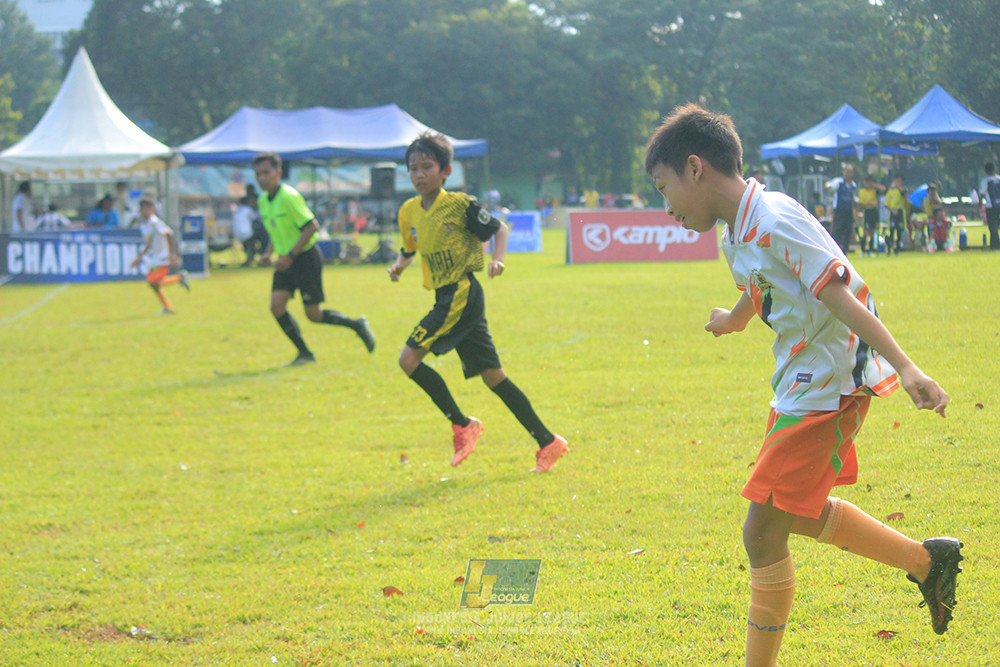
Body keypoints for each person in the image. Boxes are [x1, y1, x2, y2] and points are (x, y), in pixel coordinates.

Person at [644, 103, 962, 666]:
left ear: (694, 168)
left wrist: (907, 367)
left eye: (663, 187)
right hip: (797, 381)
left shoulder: (775, 218)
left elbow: (841, 293)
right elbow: (762, 282)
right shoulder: (737, 230)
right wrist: (736, 317)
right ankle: (924, 562)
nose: (665, 207)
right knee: (795, 510)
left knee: (761, 532)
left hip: (832, 383)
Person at [387, 132, 568, 473]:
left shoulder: (459, 205)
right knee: (493, 377)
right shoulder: (409, 211)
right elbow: (409, 247)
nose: (419, 174)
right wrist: (399, 266)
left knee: (408, 359)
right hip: (448, 296)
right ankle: (548, 442)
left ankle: (462, 425)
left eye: (427, 167)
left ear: (446, 171)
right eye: (413, 168)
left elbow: (499, 229)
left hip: (461, 293)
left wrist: (498, 260)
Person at [251, 152, 375, 365]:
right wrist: (266, 254)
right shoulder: (263, 201)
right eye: (258, 174)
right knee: (276, 306)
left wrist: (291, 255)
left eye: (266, 173)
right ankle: (305, 354)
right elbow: (275, 230)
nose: (262, 178)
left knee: (314, 315)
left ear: (278, 173)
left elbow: (311, 226)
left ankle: (357, 325)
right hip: (285, 260)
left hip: (304, 258)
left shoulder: (289, 196)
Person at [129, 198, 190, 315]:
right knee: (154, 284)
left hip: (163, 257)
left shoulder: (155, 222)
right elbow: (149, 243)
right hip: (155, 258)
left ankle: (179, 278)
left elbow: (169, 234)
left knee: (153, 281)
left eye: (147, 209)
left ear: (153, 209)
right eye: (142, 209)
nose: (144, 211)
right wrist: (139, 258)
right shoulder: (146, 224)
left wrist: (172, 254)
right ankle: (168, 308)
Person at [826, 163, 858, 254]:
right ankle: (833, 252)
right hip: (839, 211)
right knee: (836, 231)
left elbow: (853, 198)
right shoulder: (839, 182)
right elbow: (829, 186)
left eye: (851, 172)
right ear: (844, 172)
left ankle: (844, 252)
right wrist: (828, 186)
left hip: (849, 211)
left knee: (847, 232)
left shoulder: (853, 185)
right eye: (847, 172)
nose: (849, 174)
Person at [232, 193, 269, 266]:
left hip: (238, 235)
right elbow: (257, 219)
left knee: (252, 241)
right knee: (264, 237)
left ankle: (252, 257)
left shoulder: (238, 210)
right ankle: (262, 255)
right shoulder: (248, 210)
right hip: (247, 234)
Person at [858, 174, 885, 255]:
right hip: (867, 212)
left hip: (873, 212)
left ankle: (870, 250)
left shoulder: (874, 191)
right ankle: (863, 251)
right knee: (865, 232)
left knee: (872, 232)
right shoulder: (862, 191)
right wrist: (869, 202)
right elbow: (861, 204)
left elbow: (883, 189)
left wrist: (875, 185)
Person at [884, 175, 909, 254]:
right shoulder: (890, 191)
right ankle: (889, 248)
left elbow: (905, 198)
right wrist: (892, 209)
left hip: (900, 212)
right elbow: (886, 203)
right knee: (891, 230)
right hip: (893, 212)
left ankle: (897, 249)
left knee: (899, 231)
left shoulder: (903, 190)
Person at [979, 162, 1000, 250]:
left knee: (992, 227)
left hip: (990, 206)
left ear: (986, 170)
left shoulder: (985, 181)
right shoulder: (999, 178)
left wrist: (979, 205)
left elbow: (982, 194)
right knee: (997, 226)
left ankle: (995, 245)